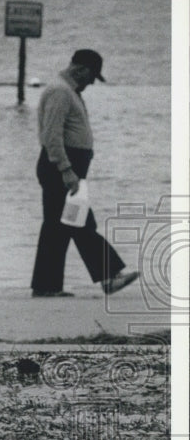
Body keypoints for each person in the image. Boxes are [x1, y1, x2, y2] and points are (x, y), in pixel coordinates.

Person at [30, 50, 139, 297]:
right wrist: (66, 170)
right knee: (80, 222)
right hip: (61, 167)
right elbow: (52, 136)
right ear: (80, 69)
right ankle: (109, 276)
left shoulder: (68, 91)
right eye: (91, 76)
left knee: (58, 226)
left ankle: (46, 286)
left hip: (66, 167)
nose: (91, 82)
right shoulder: (60, 91)